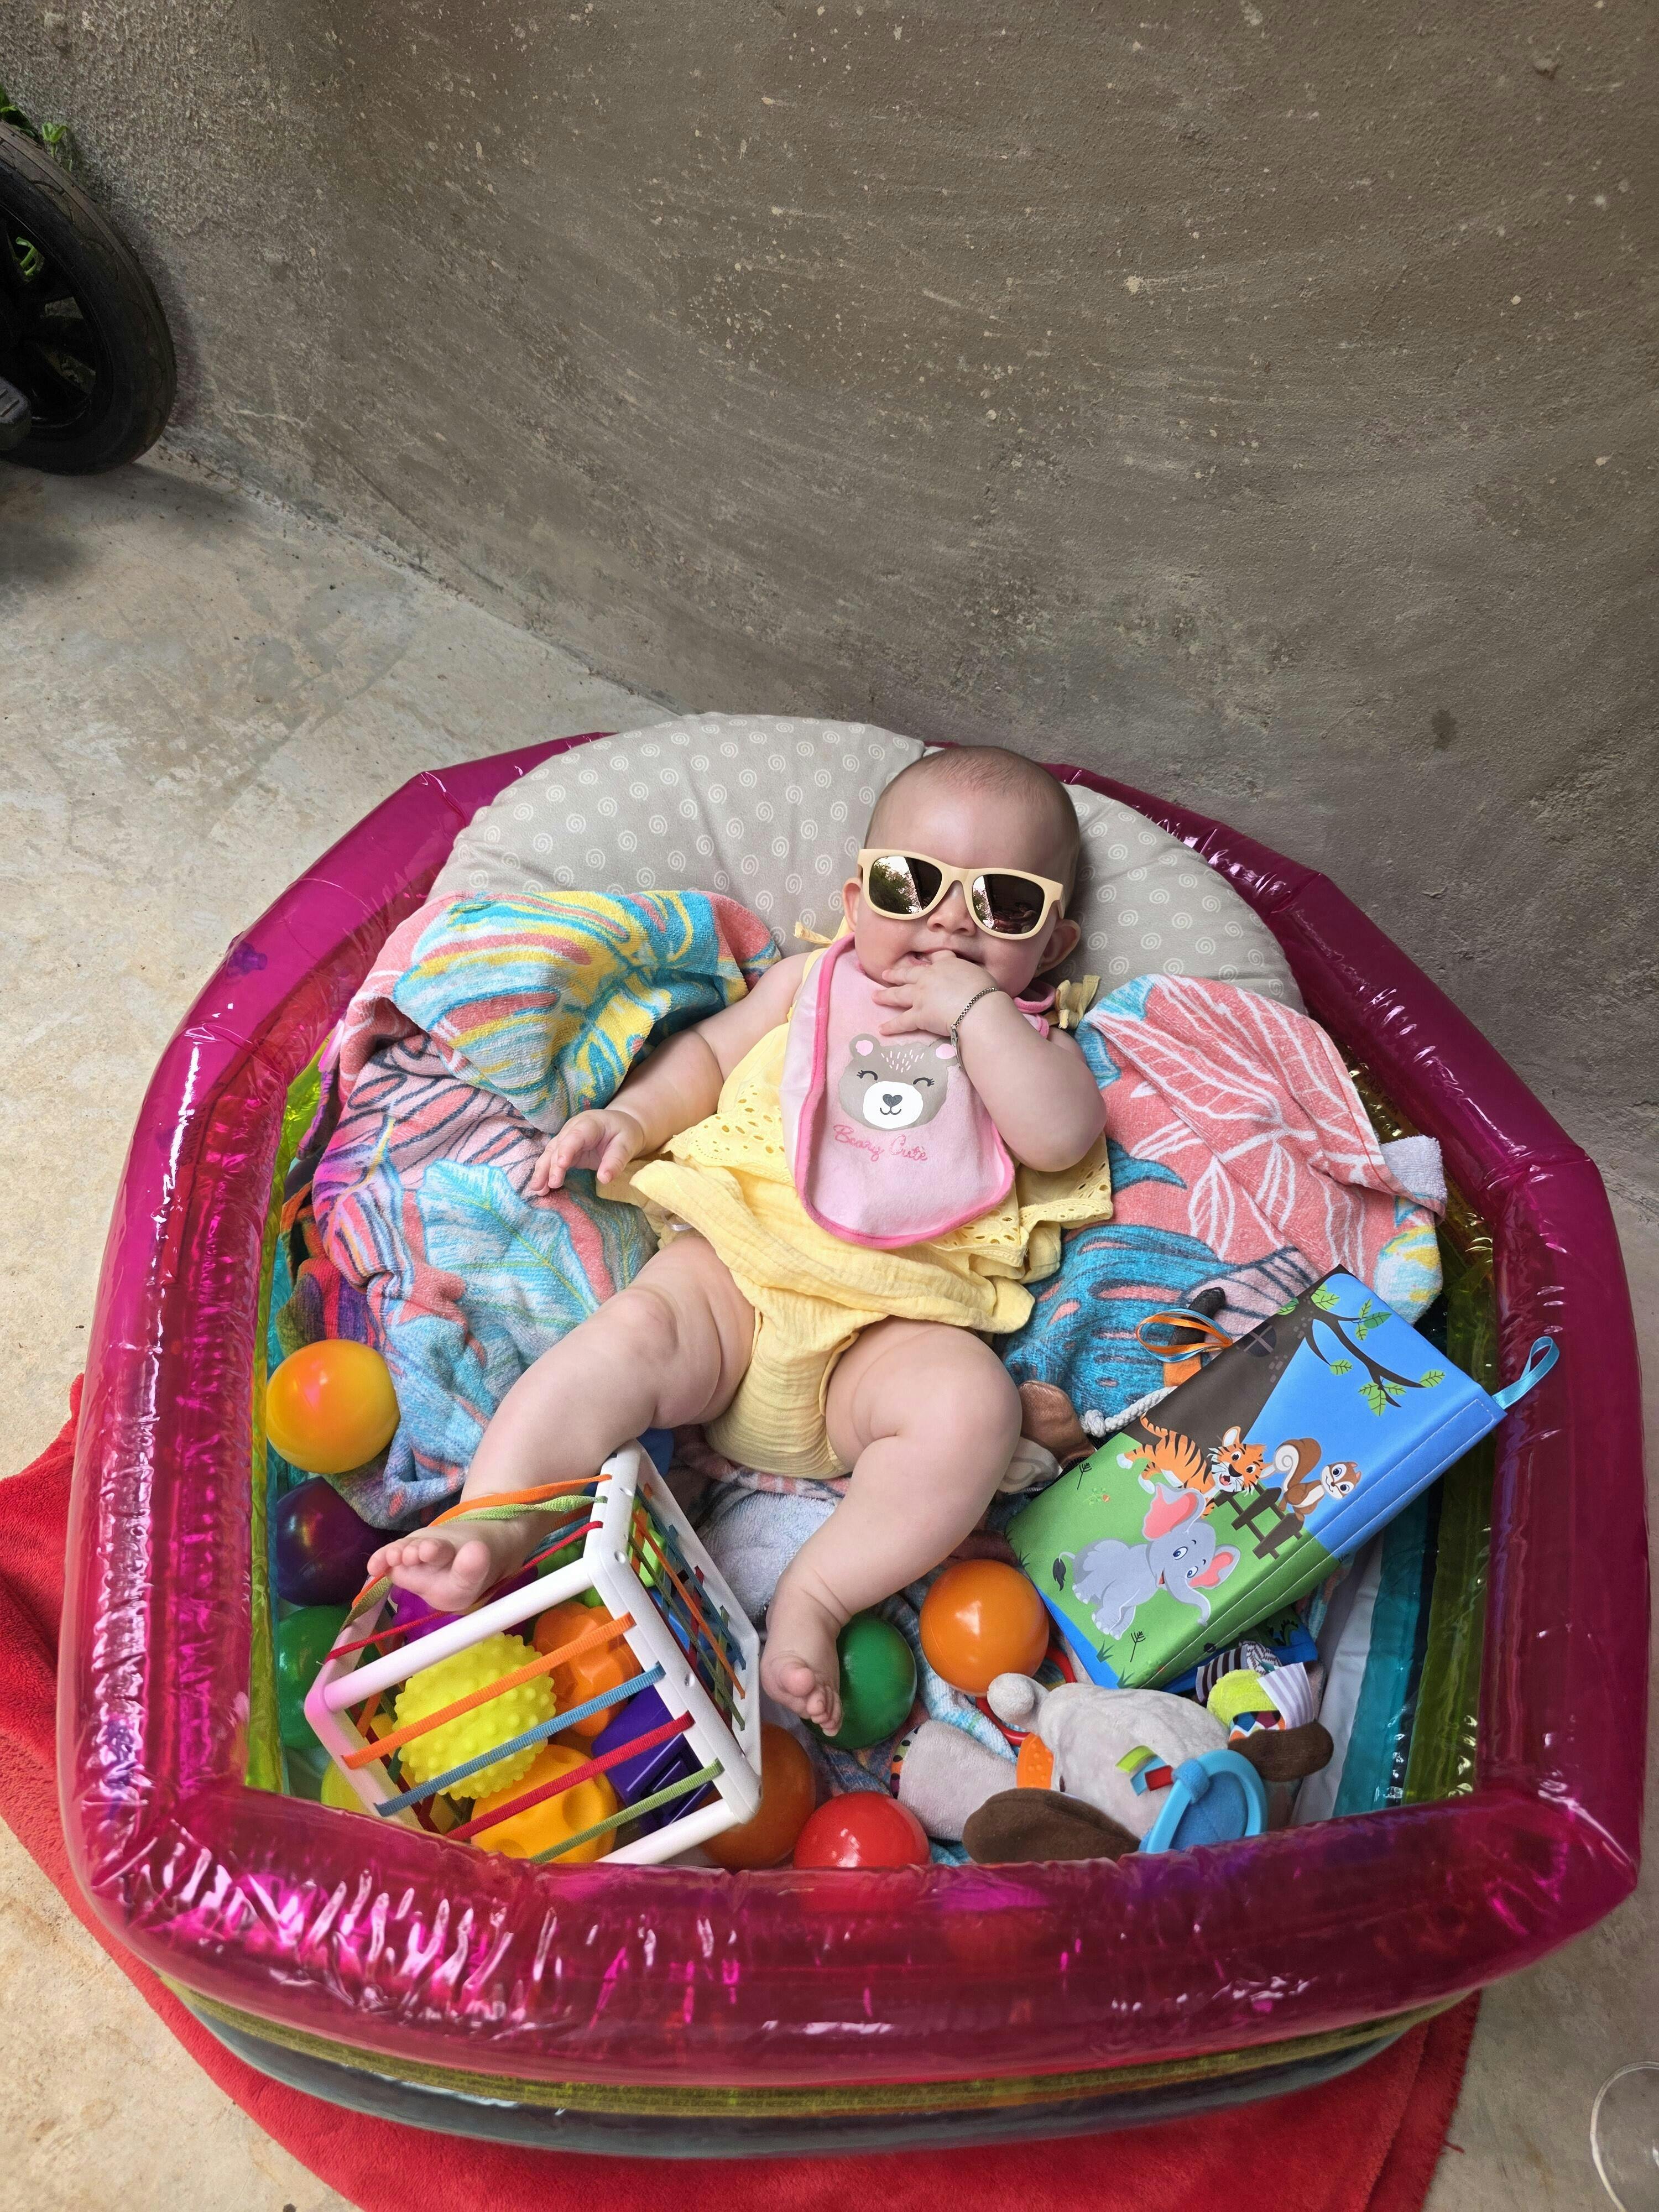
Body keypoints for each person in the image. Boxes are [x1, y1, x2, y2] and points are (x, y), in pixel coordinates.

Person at [368, 747, 1112, 1734]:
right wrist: (630, 1119)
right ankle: (499, 1520)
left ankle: (817, 1597)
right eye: (912, 885)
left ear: (1053, 943)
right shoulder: (810, 985)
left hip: (883, 1341)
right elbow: (708, 1059)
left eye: (1003, 905)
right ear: (856, 902)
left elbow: (1062, 1136)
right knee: (628, 1338)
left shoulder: (1030, 1040)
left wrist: (979, 1014)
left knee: (973, 1408)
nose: (949, 923)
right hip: (731, 1280)